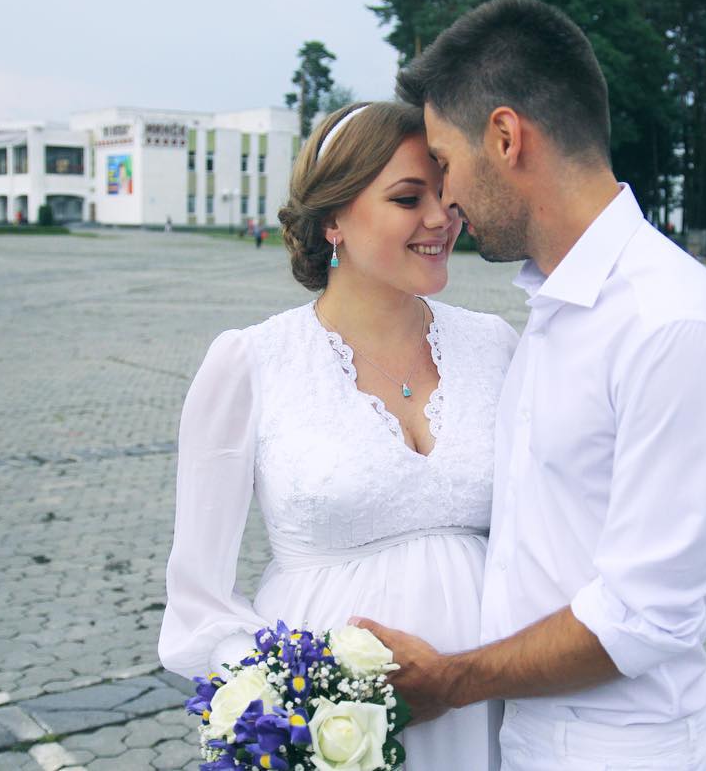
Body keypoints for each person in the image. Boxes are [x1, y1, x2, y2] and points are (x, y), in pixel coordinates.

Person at [352, 0, 706, 770]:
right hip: (524, 737)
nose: (445, 199)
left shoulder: (672, 328)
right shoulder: (552, 311)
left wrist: (452, 681)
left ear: (506, 137)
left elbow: (641, 617)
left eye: (444, 161)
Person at [158, 101, 517, 770]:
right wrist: (288, 699)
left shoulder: (496, 345)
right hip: (334, 727)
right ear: (333, 220)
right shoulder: (251, 362)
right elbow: (199, 596)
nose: (441, 217)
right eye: (408, 198)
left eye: (445, 194)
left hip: (489, 709)